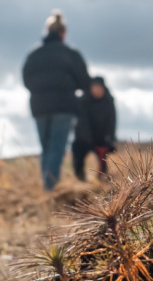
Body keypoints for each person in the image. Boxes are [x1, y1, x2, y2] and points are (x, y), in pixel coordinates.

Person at [22, 10, 93, 190]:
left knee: (46, 148)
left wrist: (40, 91)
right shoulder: (70, 53)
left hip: (39, 107)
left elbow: (26, 79)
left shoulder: (34, 54)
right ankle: (50, 188)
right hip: (64, 106)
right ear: (63, 33)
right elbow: (84, 81)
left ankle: (48, 185)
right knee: (56, 148)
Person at [72, 76, 117, 182]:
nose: (97, 89)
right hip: (83, 137)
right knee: (78, 154)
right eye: (94, 87)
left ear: (103, 88)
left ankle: (102, 179)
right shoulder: (83, 101)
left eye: (99, 87)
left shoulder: (108, 101)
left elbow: (112, 121)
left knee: (103, 160)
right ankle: (80, 178)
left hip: (101, 137)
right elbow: (81, 121)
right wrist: (86, 137)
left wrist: (109, 137)